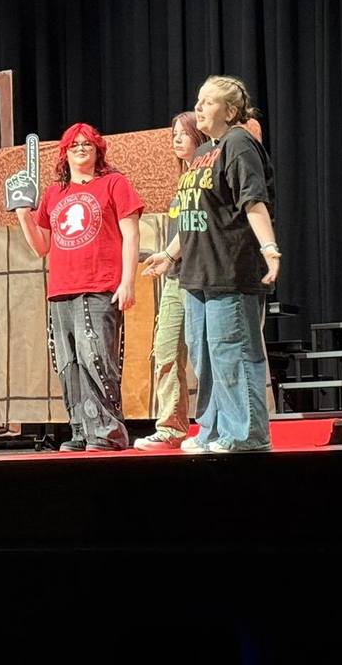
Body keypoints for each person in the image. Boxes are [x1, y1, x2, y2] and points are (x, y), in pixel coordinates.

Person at [144, 76, 280, 453]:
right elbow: (194, 213)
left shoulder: (239, 143)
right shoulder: (208, 151)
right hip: (197, 274)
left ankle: (247, 434)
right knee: (205, 359)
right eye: (198, 101)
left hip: (229, 271)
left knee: (233, 353)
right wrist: (169, 254)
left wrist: (269, 247)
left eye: (208, 102)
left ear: (231, 111)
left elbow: (253, 200)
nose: (199, 107)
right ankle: (213, 431)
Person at [15, 123, 144, 452]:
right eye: (74, 145)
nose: (81, 148)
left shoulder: (113, 183)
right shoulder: (54, 193)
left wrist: (128, 280)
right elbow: (41, 246)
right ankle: (81, 430)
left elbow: (131, 235)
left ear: (98, 149)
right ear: (65, 152)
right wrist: (23, 216)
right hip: (61, 289)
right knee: (69, 364)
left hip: (99, 286)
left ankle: (107, 433)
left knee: (97, 359)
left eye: (88, 144)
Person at [134, 112, 209, 450]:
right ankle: (172, 428)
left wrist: (168, 254)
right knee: (165, 351)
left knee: (205, 355)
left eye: (184, 134)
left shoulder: (208, 175)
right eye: (174, 135)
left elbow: (197, 228)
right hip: (177, 281)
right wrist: (165, 257)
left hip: (203, 278)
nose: (177, 139)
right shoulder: (183, 181)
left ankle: (213, 426)